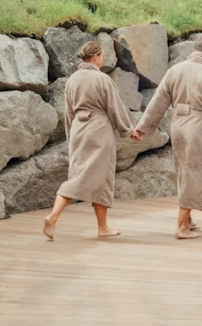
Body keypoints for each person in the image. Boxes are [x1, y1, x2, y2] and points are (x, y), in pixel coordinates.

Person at [130, 33, 202, 239]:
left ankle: (188, 219)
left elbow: (158, 102)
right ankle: (182, 226)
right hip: (198, 127)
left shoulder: (174, 71)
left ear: (194, 49)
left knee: (184, 172)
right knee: (196, 172)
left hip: (178, 125)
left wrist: (142, 127)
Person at [43, 40, 135, 240]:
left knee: (92, 177)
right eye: (101, 56)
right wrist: (128, 130)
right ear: (95, 57)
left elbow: (68, 113)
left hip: (78, 129)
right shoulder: (102, 79)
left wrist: (71, 137)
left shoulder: (73, 80)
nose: (102, 59)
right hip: (98, 131)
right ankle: (53, 215)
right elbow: (115, 107)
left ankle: (103, 227)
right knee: (87, 178)